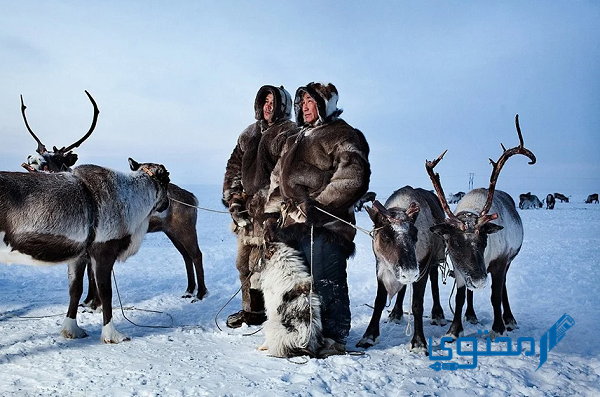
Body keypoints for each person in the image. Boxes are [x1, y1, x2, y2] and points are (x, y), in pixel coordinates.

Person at [264, 82, 370, 356]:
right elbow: (278, 179)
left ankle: (334, 338)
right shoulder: (295, 138)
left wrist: (318, 207)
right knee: (300, 285)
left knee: (326, 279)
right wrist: (272, 215)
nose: (304, 107)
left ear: (325, 105)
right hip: (292, 224)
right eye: (302, 102)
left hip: (327, 225)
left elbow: (353, 176)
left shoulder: (342, 133)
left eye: (311, 101)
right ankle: (304, 334)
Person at [222, 85, 298, 328]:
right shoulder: (249, 134)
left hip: (272, 212)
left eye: (273, 101)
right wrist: (234, 199)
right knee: (243, 263)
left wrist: (271, 208)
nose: (268, 105)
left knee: (265, 265)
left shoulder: (289, 133)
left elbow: (283, 173)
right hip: (245, 211)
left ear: (282, 105)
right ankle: (250, 311)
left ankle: (269, 314)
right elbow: (234, 166)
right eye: (264, 101)